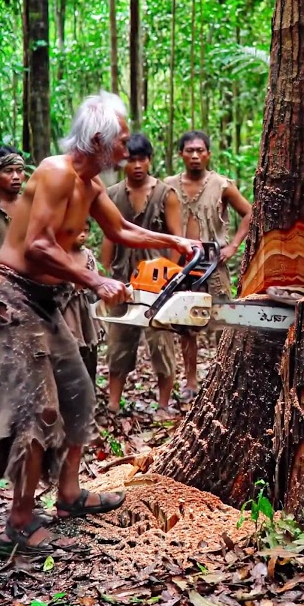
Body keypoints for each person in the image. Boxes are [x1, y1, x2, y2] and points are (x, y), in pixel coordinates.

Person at [0, 91, 199, 553]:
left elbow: (121, 230)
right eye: (121, 140)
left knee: (79, 397)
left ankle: (69, 494)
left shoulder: (91, 184)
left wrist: (173, 242)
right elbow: (38, 245)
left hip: (45, 299)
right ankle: (18, 522)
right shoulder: (56, 173)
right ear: (99, 139)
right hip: (13, 297)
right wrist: (94, 281)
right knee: (38, 409)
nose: (127, 148)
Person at [164, 130, 254, 397]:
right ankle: (190, 381)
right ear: (181, 154)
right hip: (181, 266)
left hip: (214, 264)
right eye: (189, 150)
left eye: (200, 151)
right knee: (185, 324)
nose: (194, 155)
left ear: (208, 154)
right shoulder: (167, 186)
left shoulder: (221, 184)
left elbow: (249, 212)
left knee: (222, 320)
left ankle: (222, 378)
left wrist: (234, 245)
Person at [100, 133, 182, 413]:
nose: (137, 165)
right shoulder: (111, 196)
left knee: (162, 343)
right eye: (131, 159)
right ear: (123, 162)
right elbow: (108, 238)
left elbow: (176, 238)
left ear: (150, 161)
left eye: (142, 159)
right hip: (123, 280)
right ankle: (113, 404)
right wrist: (105, 272)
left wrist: (172, 278)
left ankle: (162, 405)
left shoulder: (165, 195)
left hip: (159, 283)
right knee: (118, 343)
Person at [63, 218, 102, 386]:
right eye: (79, 231)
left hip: (83, 310)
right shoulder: (58, 254)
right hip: (65, 309)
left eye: (86, 231)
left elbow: (95, 279)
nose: (83, 235)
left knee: (88, 352)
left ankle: (88, 392)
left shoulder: (87, 255)